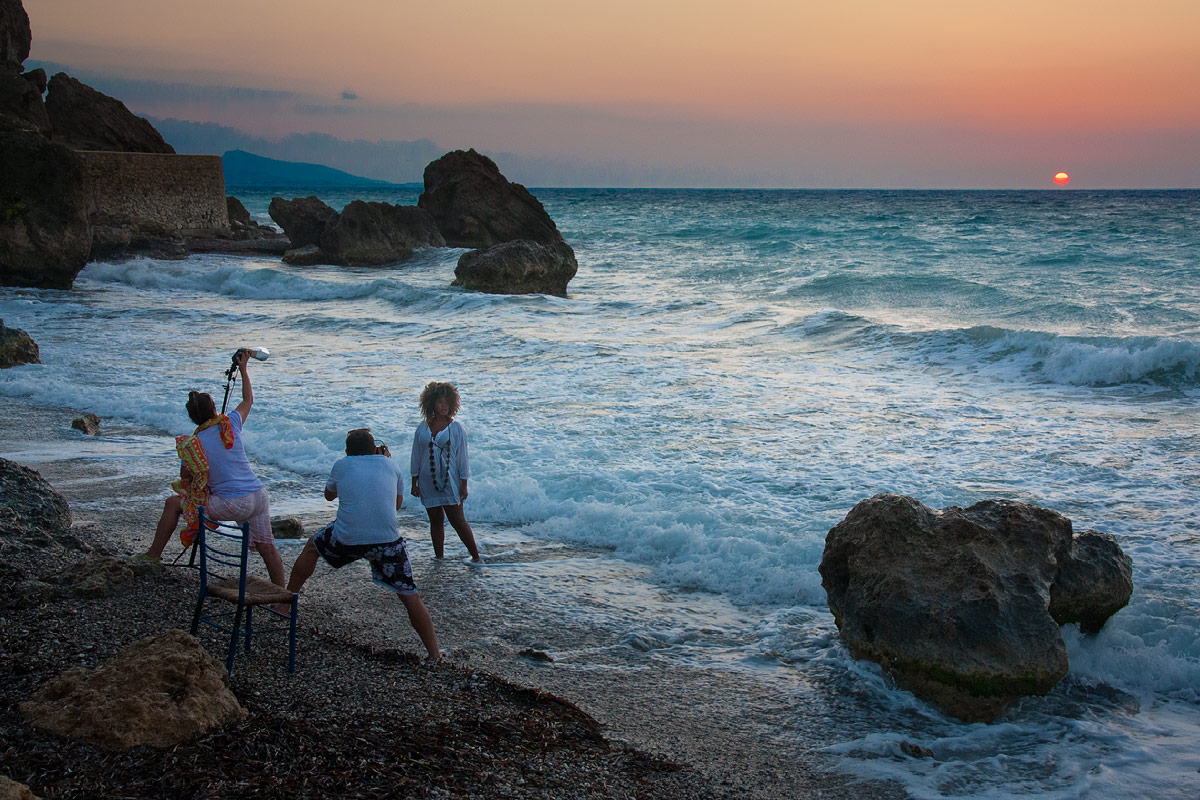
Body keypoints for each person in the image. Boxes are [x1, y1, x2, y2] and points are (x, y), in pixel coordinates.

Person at [284, 428, 440, 659]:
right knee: (410, 596)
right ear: (375, 447)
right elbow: (395, 506)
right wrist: (384, 460)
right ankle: (435, 654)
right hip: (387, 543)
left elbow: (329, 496)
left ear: (347, 451)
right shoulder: (391, 465)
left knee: (312, 546)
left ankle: (285, 604)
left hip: (347, 538)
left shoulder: (342, 464)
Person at [143, 350, 286, 587]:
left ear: (193, 419)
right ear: (214, 411)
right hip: (258, 495)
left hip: (231, 504)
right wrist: (243, 369)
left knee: (172, 503)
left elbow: (186, 478)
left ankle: (153, 555)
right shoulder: (230, 423)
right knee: (267, 547)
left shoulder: (192, 445)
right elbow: (248, 400)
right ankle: (283, 598)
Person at [410, 381, 481, 562]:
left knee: (458, 521)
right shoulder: (422, 428)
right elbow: (416, 455)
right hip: (427, 481)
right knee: (435, 520)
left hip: (451, 481)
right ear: (432, 403)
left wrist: (464, 484)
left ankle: (476, 556)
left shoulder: (456, 428)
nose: (444, 406)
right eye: (440, 402)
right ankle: (439, 558)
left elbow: (462, 459)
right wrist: (414, 481)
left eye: (447, 402)